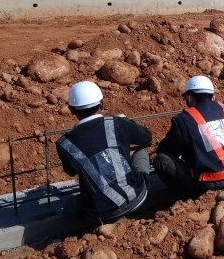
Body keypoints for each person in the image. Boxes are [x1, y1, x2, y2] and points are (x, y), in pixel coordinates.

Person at [55, 81, 152, 223]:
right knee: (141, 152)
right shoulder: (117, 123)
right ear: (102, 104)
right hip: (137, 196)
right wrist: (127, 123)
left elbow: (71, 171)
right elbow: (147, 138)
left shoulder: (65, 143)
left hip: (106, 213)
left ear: (71, 109)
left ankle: (96, 225)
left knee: (70, 205)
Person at [154, 75, 224, 200]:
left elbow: (166, 150)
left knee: (161, 160)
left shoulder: (184, 120)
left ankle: (185, 199)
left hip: (211, 185)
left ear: (190, 98)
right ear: (213, 96)